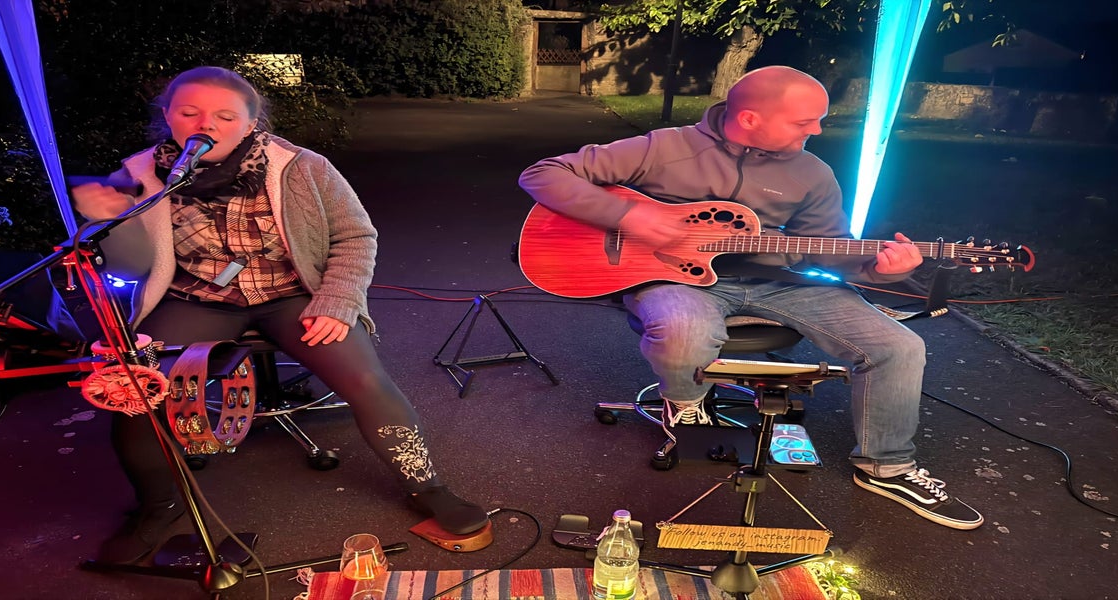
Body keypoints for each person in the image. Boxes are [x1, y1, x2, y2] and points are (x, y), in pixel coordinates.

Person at [518, 65, 983, 530]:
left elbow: (830, 246)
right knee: (683, 329)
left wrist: (879, 268)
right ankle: (685, 403)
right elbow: (543, 174)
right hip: (676, 277)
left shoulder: (812, 172)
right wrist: (628, 216)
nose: (818, 131)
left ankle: (886, 466)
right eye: (805, 121)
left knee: (899, 346)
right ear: (750, 119)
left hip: (781, 282)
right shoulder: (664, 148)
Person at [72, 66, 488, 564]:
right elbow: (126, 267)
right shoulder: (139, 177)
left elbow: (356, 237)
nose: (206, 124)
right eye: (189, 112)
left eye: (225, 116)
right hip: (196, 300)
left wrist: (338, 300)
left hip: (293, 295)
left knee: (365, 379)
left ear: (251, 124)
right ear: (168, 116)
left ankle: (426, 486)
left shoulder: (302, 167)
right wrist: (106, 223)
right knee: (139, 389)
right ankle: (157, 506)